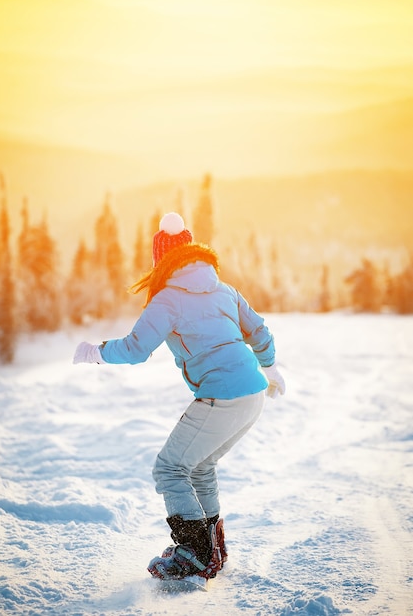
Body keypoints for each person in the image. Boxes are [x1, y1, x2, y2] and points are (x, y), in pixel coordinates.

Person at [73, 212, 285, 581]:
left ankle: (195, 553)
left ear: (161, 259)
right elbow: (258, 330)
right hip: (253, 394)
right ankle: (211, 547)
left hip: (222, 396)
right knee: (200, 466)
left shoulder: (168, 299)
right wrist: (269, 367)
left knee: (170, 468)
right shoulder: (225, 289)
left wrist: (97, 351)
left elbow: (137, 349)